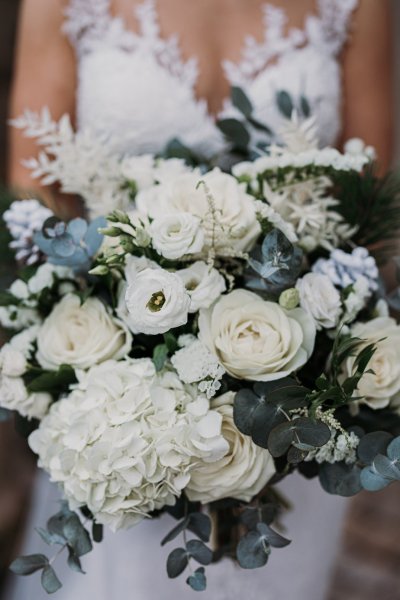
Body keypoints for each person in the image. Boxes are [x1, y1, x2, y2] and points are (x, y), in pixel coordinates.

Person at [4, 1, 393, 599]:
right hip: (116, 407)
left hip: (294, 409)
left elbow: (370, 201)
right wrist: (111, 351)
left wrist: (293, 358)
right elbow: (36, 199)